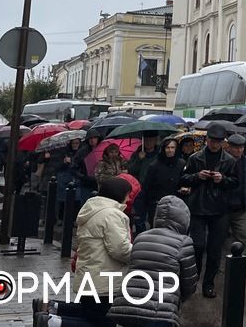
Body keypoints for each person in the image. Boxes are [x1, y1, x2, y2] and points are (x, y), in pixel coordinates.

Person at [105, 195, 199, 327]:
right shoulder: (184, 242)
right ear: (183, 218)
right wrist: (175, 298)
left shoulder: (141, 237)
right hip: (160, 312)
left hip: (128, 306)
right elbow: (189, 283)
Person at [179, 123, 238, 298]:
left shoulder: (229, 160)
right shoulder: (195, 158)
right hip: (198, 206)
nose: (214, 144)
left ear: (222, 142)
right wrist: (197, 176)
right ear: (207, 140)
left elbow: (235, 182)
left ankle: (209, 283)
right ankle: (193, 278)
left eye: (218, 141)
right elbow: (183, 178)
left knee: (214, 249)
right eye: (212, 140)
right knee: (197, 245)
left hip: (219, 209)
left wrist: (223, 179)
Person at [69, 176, 134, 325]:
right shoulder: (112, 214)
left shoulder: (93, 210)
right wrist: (139, 254)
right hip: (104, 283)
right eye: (127, 194)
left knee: (90, 319)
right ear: (119, 194)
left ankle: (53, 319)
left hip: (89, 278)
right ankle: (51, 321)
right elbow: (120, 249)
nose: (129, 198)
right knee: (102, 322)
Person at [224, 133, 246, 277]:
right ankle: (220, 265)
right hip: (224, 206)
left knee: (243, 237)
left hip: (241, 205)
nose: (239, 150)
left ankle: (245, 264)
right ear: (229, 147)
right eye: (236, 147)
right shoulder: (224, 161)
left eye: (241, 147)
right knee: (219, 238)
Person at [140, 138, 185, 227]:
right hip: (157, 203)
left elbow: (184, 180)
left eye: (172, 147)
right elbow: (147, 186)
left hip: (176, 202)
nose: (170, 150)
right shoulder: (154, 166)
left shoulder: (181, 163)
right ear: (163, 149)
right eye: (167, 147)